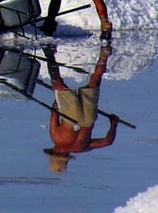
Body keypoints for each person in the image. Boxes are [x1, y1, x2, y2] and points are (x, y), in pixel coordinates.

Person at [42, 44, 118, 173]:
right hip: (71, 117)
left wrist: (113, 123)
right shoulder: (56, 139)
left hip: (88, 120)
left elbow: (107, 142)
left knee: (94, 82)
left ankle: (104, 55)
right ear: (56, 152)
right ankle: (48, 52)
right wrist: (58, 100)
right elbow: (54, 113)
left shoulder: (82, 148)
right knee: (57, 83)